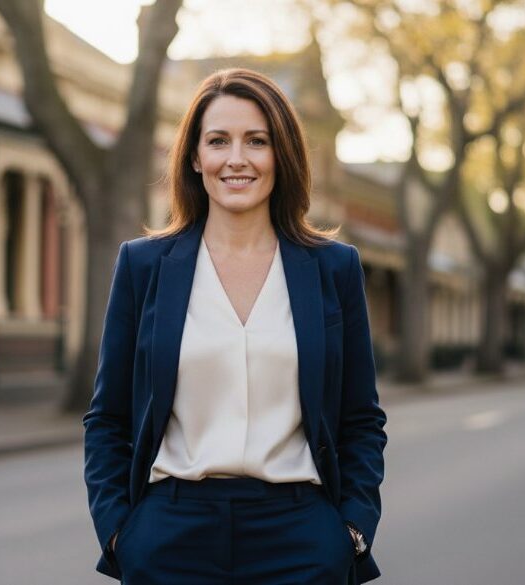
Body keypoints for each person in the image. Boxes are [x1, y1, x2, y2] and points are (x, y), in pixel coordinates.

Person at [83, 68, 387, 584]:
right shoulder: (144, 266)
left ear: (280, 156)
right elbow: (108, 419)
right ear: (195, 157)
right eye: (218, 140)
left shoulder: (334, 268)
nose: (237, 158)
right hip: (170, 538)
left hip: (300, 538)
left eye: (257, 141)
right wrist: (120, 531)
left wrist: (351, 530)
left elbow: (360, 419)